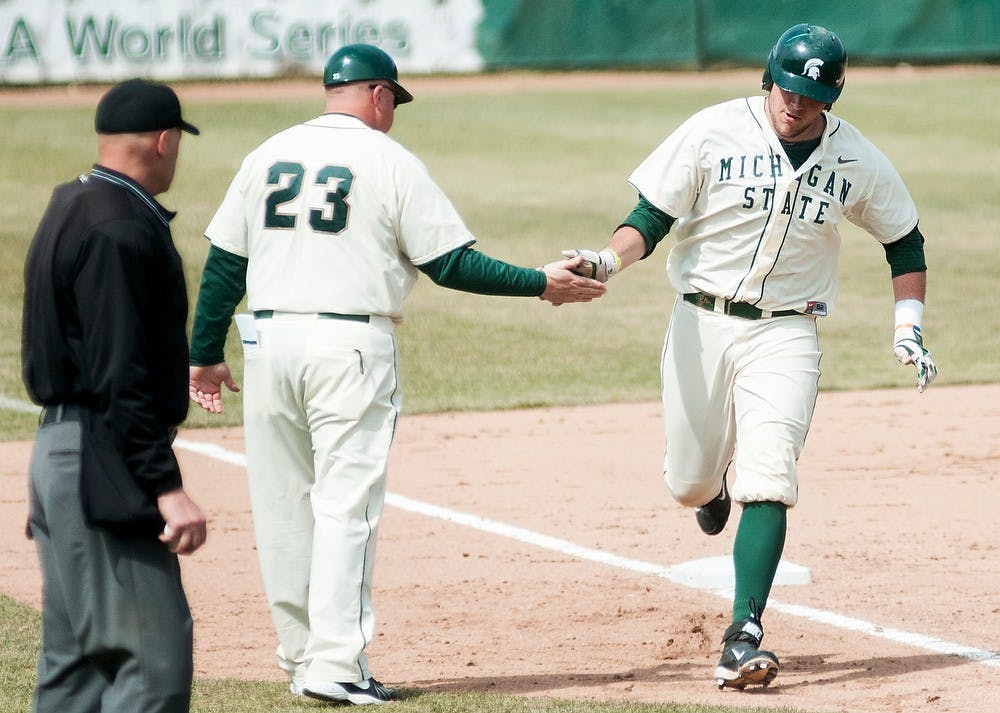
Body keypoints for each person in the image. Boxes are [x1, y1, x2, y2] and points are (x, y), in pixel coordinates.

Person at [187, 43, 604, 705]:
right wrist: (538, 284)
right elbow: (450, 264)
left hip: (268, 344)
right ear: (379, 95)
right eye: (393, 102)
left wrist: (204, 353)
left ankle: (301, 657)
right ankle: (337, 666)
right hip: (349, 347)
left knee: (282, 508)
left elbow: (224, 266)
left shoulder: (265, 154)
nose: (393, 114)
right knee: (346, 509)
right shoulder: (388, 160)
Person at [563, 23, 936, 690]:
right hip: (700, 323)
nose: (796, 102)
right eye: (788, 87)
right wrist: (603, 261)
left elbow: (905, 240)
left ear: (833, 95)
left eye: (812, 93)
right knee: (688, 482)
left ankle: (743, 635)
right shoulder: (713, 131)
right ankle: (714, 488)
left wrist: (908, 325)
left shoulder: (855, 158)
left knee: (773, 472)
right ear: (769, 79)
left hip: (788, 334)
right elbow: (649, 219)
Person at [21, 79, 208, 713]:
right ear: (163, 140)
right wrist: (163, 483)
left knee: (75, 671)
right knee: (152, 663)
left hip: (61, 452)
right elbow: (117, 373)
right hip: (101, 457)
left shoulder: (70, 204)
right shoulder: (119, 227)